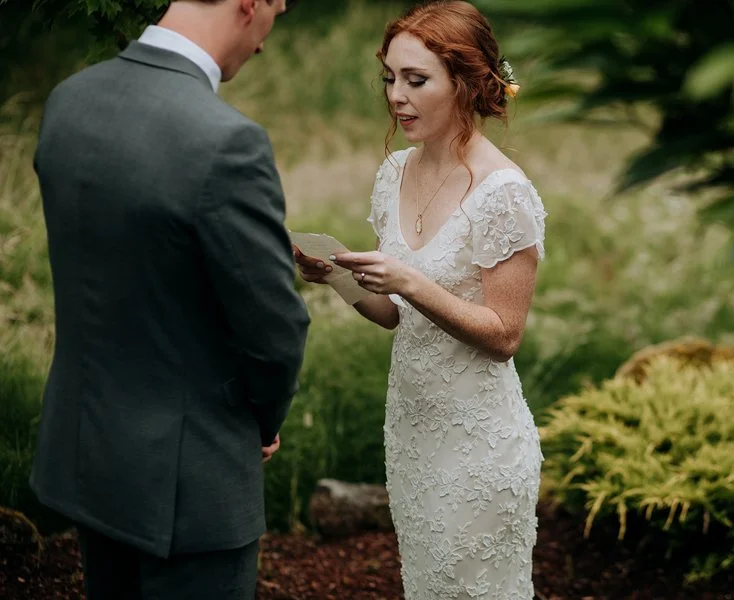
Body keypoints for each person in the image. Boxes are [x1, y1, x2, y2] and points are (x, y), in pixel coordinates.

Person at [30, 1, 309, 598]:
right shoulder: (226, 142)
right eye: (276, 14)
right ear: (249, 4)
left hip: (87, 455)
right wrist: (261, 419)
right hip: (187, 484)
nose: (263, 42)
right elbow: (275, 329)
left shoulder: (70, 100)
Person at [296, 2, 546, 597]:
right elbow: (395, 319)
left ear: (465, 82)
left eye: (416, 80)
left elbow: (504, 336)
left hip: (480, 448)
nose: (396, 97)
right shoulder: (395, 174)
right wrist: (338, 276)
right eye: (390, 78)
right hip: (412, 436)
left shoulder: (504, 194)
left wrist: (410, 281)